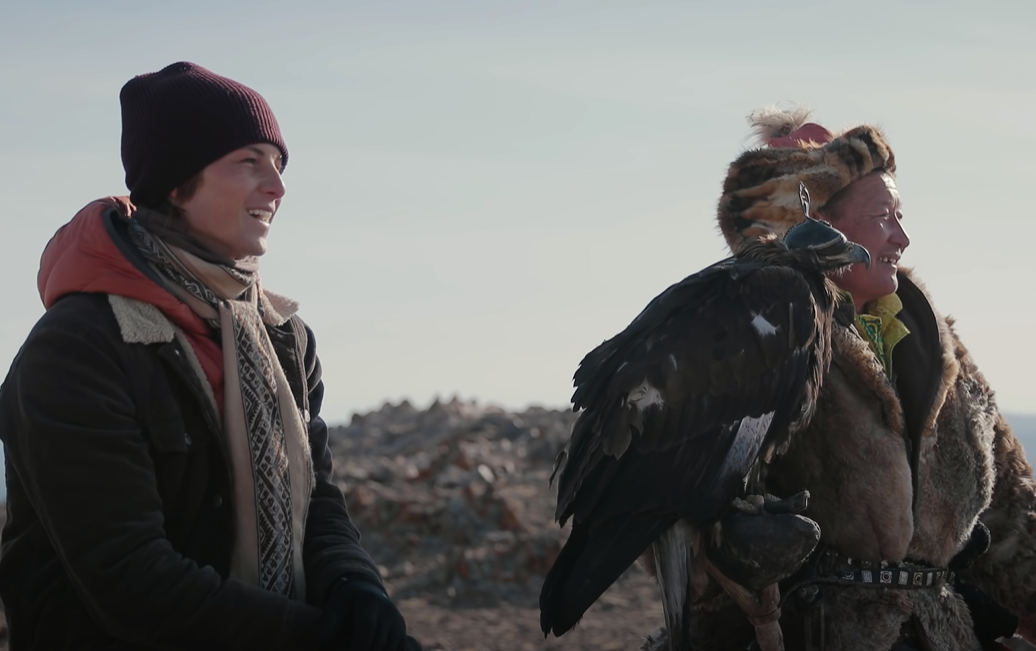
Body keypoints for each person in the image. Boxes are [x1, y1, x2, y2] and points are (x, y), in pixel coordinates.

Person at [0, 62, 421, 650]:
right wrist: (324, 640)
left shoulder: (283, 336)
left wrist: (357, 589)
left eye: (278, 164)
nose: (276, 186)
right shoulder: (78, 350)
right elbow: (130, 579)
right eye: (248, 161)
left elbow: (317, 501)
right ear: (175, 184)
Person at [667, 108, 1036, 650]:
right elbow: (680, 532)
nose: (902, 237)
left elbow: (1012, 521)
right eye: (884, 215)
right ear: (813, 223)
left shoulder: (939, 347)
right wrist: (733, 551)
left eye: (901, 214)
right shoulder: (752, 343)